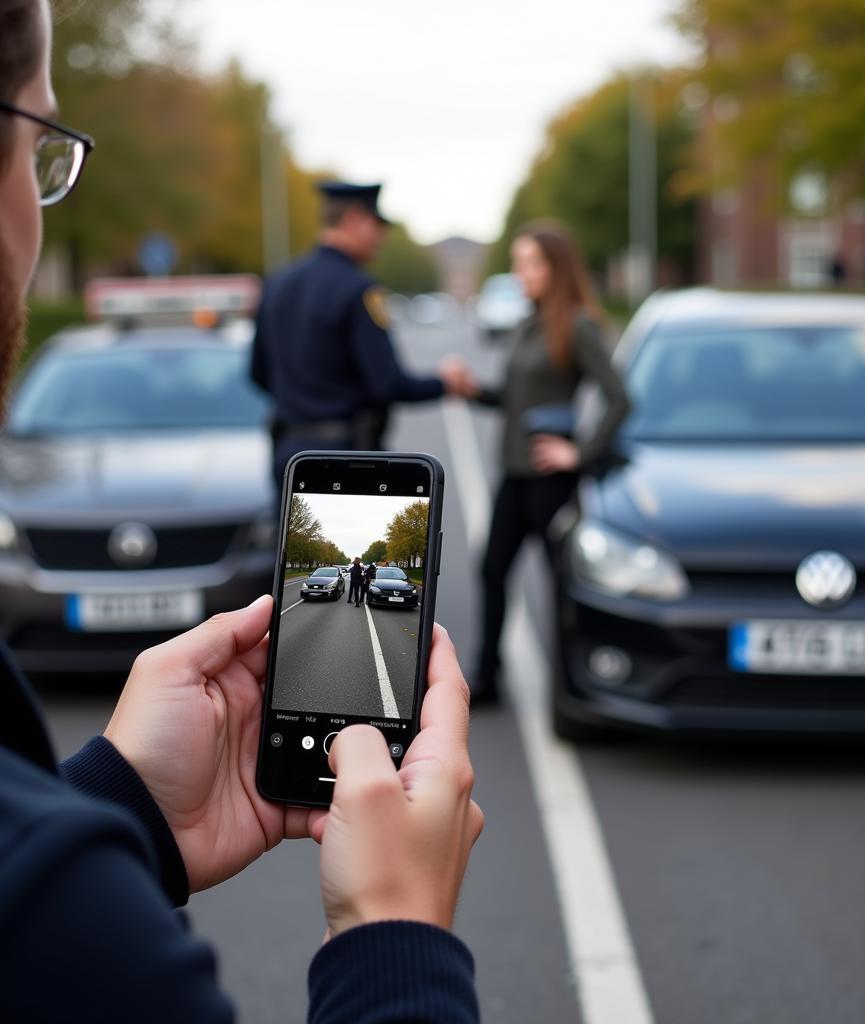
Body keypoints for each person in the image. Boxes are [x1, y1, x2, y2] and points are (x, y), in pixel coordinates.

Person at [0, 3, 483, 1020]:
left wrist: (121, 800)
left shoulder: (282, 288)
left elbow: (262, 371)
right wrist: (393, 928)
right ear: (358, 226)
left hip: (289, 454)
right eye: (42, 142)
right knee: (353, 616)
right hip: (352, 449)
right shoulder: (59, 920)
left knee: (307, 608)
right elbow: (381, 371)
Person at [454, 221, 631, 703]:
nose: (521, 273)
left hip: (552, 480)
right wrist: (474, 390)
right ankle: (488, 677)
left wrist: (581, 453)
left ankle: (575, 681)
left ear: (557, 267)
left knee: (563, 587)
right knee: (492, 571)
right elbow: (514, 398)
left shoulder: (578, 324)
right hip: (514, 474)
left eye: (531, 263)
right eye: (518, 263)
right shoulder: (526, 323)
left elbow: (619, 399)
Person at [250, 179, 467, 480]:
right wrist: (445, 382)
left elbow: (257, 372)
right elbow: (387, 384)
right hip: (346, 461)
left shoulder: (276, 283)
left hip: (289, 455)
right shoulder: (359, 290)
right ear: (354, 219)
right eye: (377, 225)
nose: (382, 236)